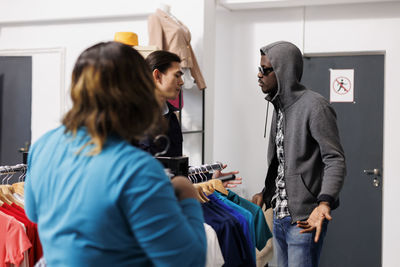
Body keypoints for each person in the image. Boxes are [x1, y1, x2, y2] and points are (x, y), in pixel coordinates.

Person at [24, 41, 207, 267]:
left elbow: (33, 214)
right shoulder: (137, 169)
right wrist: (187, 193)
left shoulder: (42, 146)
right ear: (136, 92)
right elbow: (188, 260)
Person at [251, 41, 346, 267]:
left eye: (265, 70)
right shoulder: (279, 108)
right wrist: (266, 193)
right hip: (280, 217)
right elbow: (283, 162)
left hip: (304, 219)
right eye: (259, 68)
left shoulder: (315, 106)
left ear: (283, 71)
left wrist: (324, 203)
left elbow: (335, 159)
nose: (259, 74)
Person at [144, 50, 242, 187]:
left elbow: (176, 173)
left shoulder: (171, 117)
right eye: (177, 76)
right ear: (157, 75)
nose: (182, 82)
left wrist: (210, 178)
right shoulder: (138, 122)